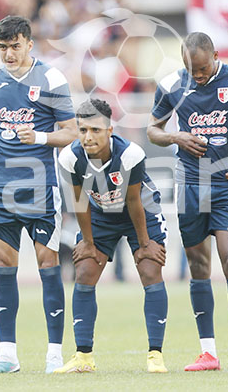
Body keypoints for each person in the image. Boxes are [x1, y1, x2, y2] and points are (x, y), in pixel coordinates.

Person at [147, 32, 228, 371]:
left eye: (203, 69)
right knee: (198, 266)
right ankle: (208, 352)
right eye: (192, 70)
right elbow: (152, 130)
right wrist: (175, 136)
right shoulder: (173, 84)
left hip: (226, 187)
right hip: (189, 186)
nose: (198, 76)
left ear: (216, 55)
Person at [0, 15, 77, 374]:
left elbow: (72, 131)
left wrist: (42, 137)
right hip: (2, 188)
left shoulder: (51, 78)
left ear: (29, 44)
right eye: (3, 47)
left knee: (48, 264)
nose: (9, 53)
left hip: (41, 187)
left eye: (15, 46)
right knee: (3, 265)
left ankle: (53, 355)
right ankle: (7, 355)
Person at [55, 99, 169, 374]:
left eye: (95, 130)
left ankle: (155, 355)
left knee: (150, 270)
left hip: (139, 212)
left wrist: (144, 244)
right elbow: (80, 201)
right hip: (100, 214)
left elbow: (133, 201)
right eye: (82, 130)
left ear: (109, 130)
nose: (88, 137)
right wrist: (89, 243)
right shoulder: (69, 157)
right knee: (84, 271)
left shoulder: (131, 154)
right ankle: (84, 357)